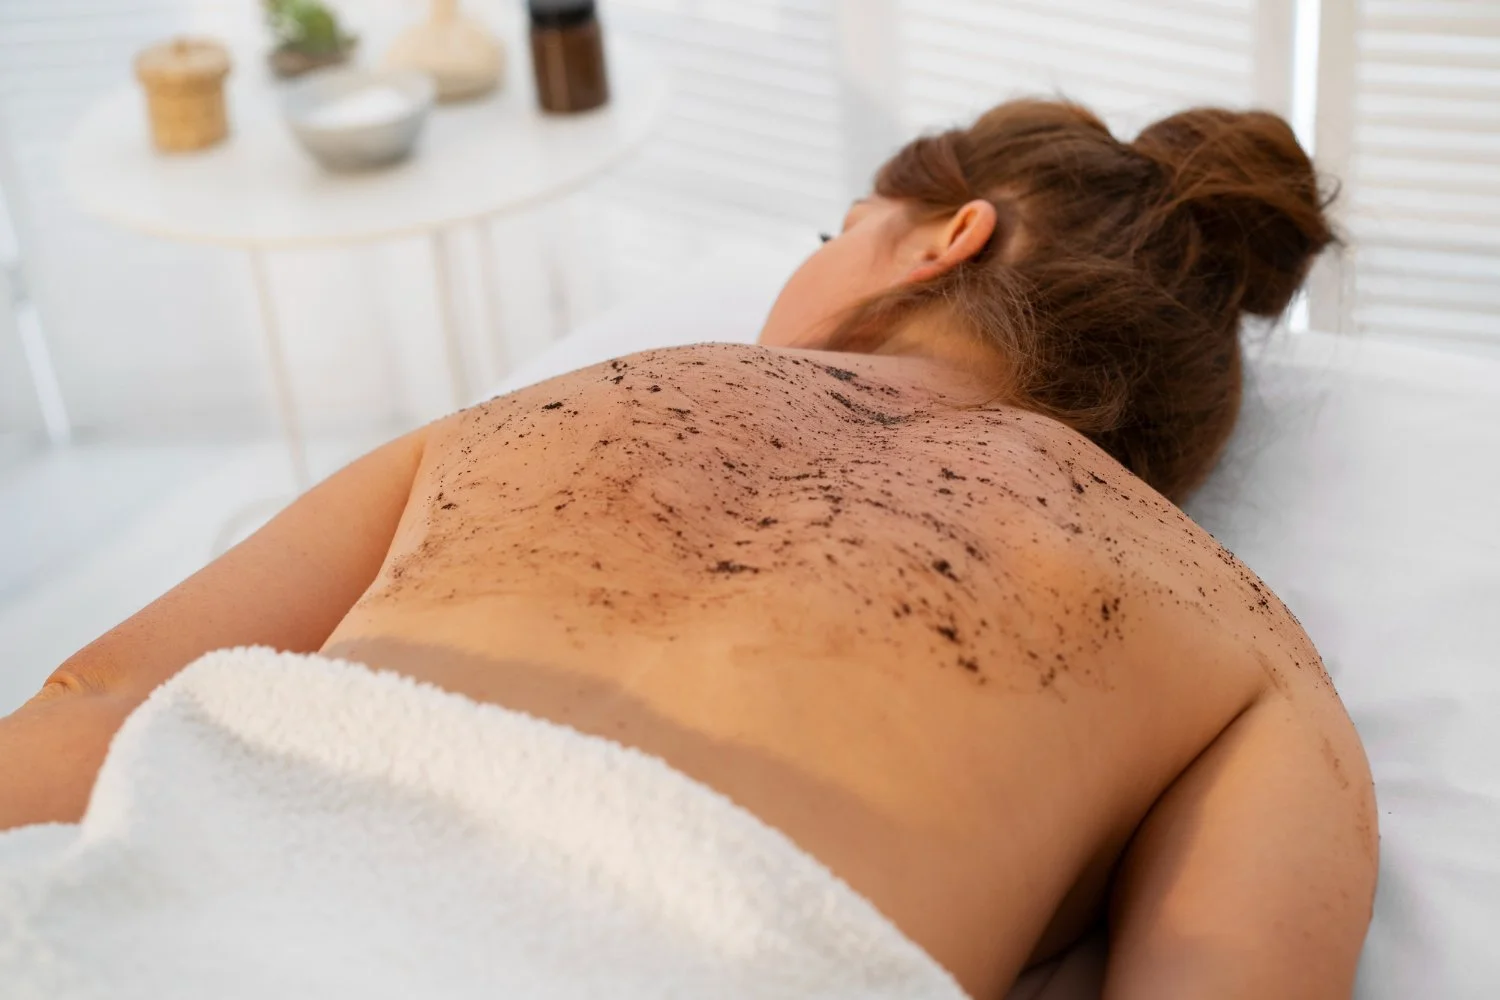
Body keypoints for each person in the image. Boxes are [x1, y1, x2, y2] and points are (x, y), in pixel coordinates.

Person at [0, 99, 1376, 998]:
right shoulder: (1235, 637)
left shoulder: (560, 406)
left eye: (829, 234)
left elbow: (92, 713)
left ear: (946, 241)